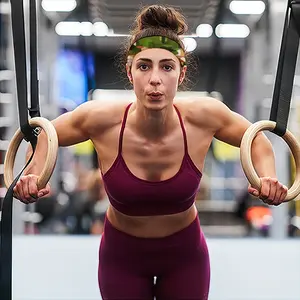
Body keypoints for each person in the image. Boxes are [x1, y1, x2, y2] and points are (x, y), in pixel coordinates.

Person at [13, 4, 288, 300]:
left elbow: (257, 139)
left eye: (166, 67)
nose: (155, 79)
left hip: (185, 256)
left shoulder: (205, 115)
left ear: (181, 75)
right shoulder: (99, 119)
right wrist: (33, 175)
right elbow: (45, 135)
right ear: (130, 73)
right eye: (144, 66)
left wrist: (267, 178)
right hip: (122, 257)